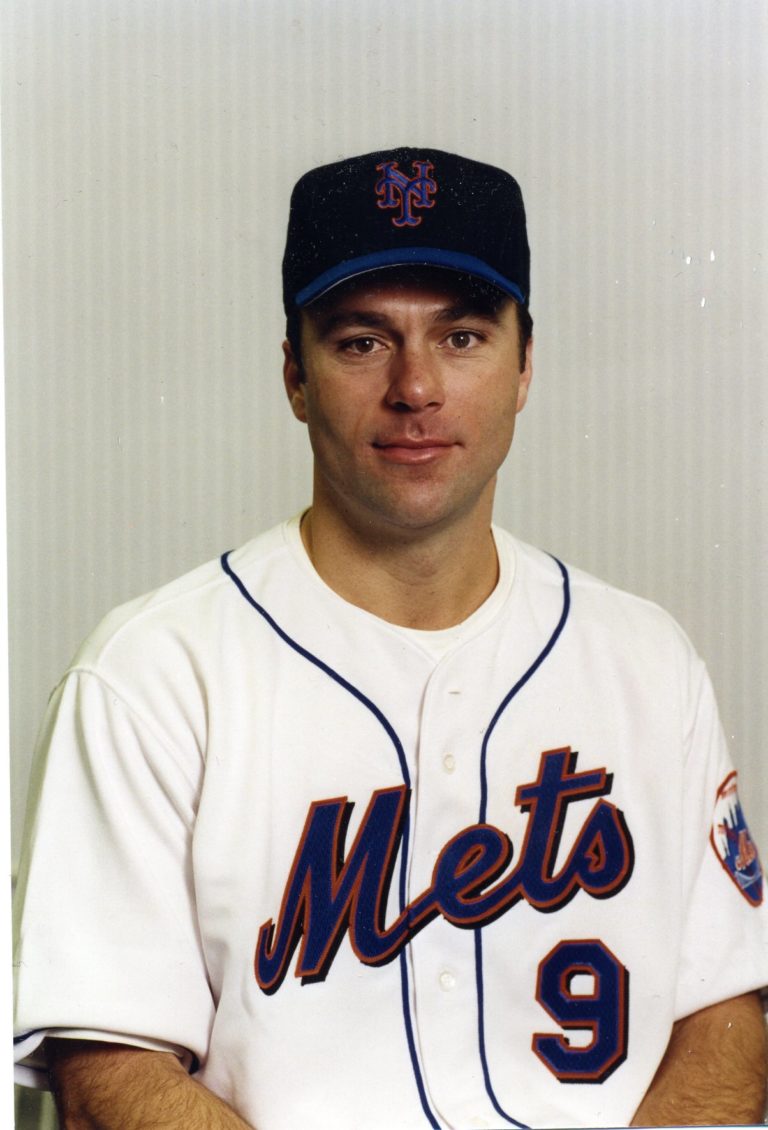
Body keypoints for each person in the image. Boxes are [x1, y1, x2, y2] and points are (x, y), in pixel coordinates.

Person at [13, 147, 768, 1130]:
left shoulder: (648, 662)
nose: (416, 387)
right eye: (362, 341)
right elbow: (110, 1074)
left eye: (461, 336)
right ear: (293, 370)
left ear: (526, 363)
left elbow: (729, 1015)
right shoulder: (153, 675)